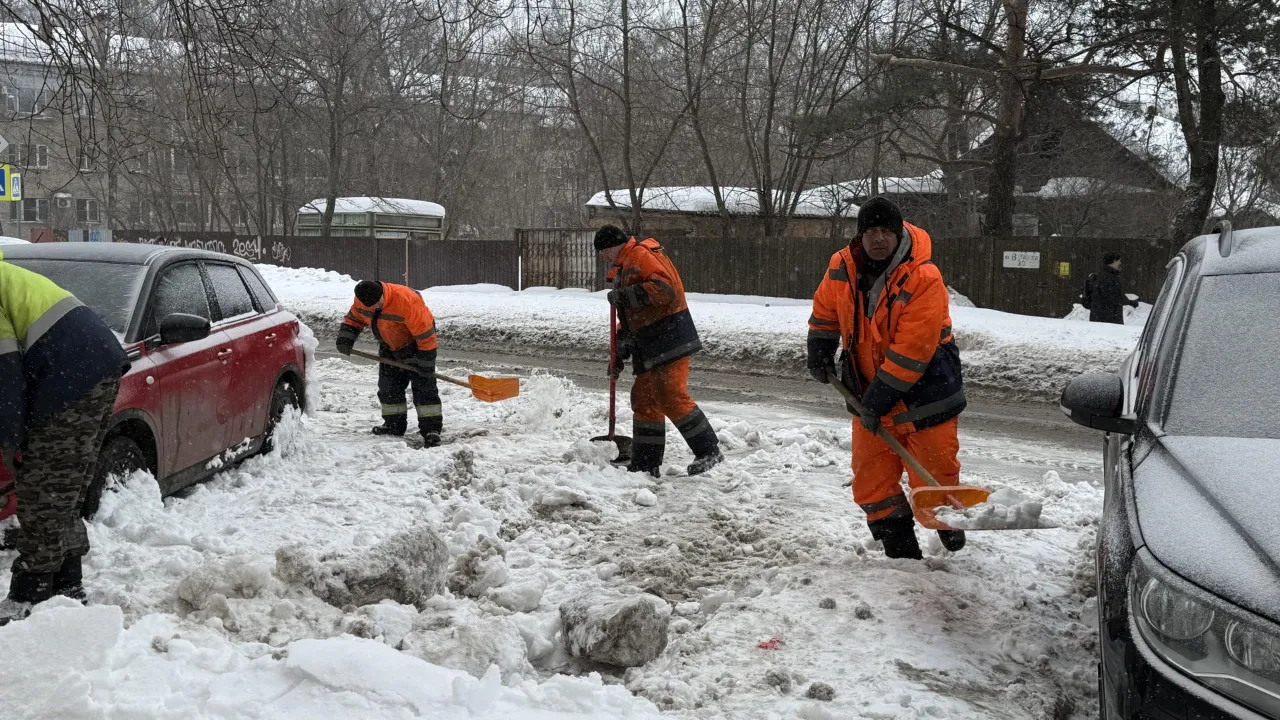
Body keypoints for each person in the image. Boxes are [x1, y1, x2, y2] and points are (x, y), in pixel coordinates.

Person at [807, 197, 967, 559]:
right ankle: (901, 551)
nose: (878, 239)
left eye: (886, 231)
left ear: (898, 234)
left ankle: (949, 526)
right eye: (870, 231)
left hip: (926, 393)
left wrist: (877, 401)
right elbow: (826, 308)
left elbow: (914, 349)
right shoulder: (841, 267)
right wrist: (819, 345)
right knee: (871, 480)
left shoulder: (925, 277)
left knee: (934, 472)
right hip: (867, 389)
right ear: (860, 234)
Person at [0, 249, 129, 625]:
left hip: (72, 374)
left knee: (44, 491)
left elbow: (4, 379)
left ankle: (30, 594)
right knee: (62, 488)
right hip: (85, 367)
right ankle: (69, 583)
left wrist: (11, 443)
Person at [595, 225, 723, 477]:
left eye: (604, 251)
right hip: (650, 341)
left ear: (614, 246)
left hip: (669, 337)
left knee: (670, 395)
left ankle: (709, 450)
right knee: (644, 400)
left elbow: (665, 290)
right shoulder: (625, 264)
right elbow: (634, 315)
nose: (603, 257)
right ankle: (646, 462)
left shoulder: (641, 255)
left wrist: (625, 296)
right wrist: (619, 349)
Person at [335, 280, 443, 448]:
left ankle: (431, 430)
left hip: (416, 345)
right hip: (389, 345)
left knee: (424, 388)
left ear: (382, 294)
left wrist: (426, 362)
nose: (375, 307)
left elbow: (426, 333)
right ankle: (394, 425)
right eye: (370, 305)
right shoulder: (362, 300)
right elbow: (354, 319)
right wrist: (345, 338)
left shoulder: (405, 300)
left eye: (377, 303)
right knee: (389, 388)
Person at [1084, 251, 1138, 324]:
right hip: (1108, 320)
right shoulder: (1109, 277)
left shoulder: (1101, 275)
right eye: (1119, 261)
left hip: (1099, 319)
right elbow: (1115, 296)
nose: (1120, 263)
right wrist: (1131, 302)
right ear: (1114, 261)